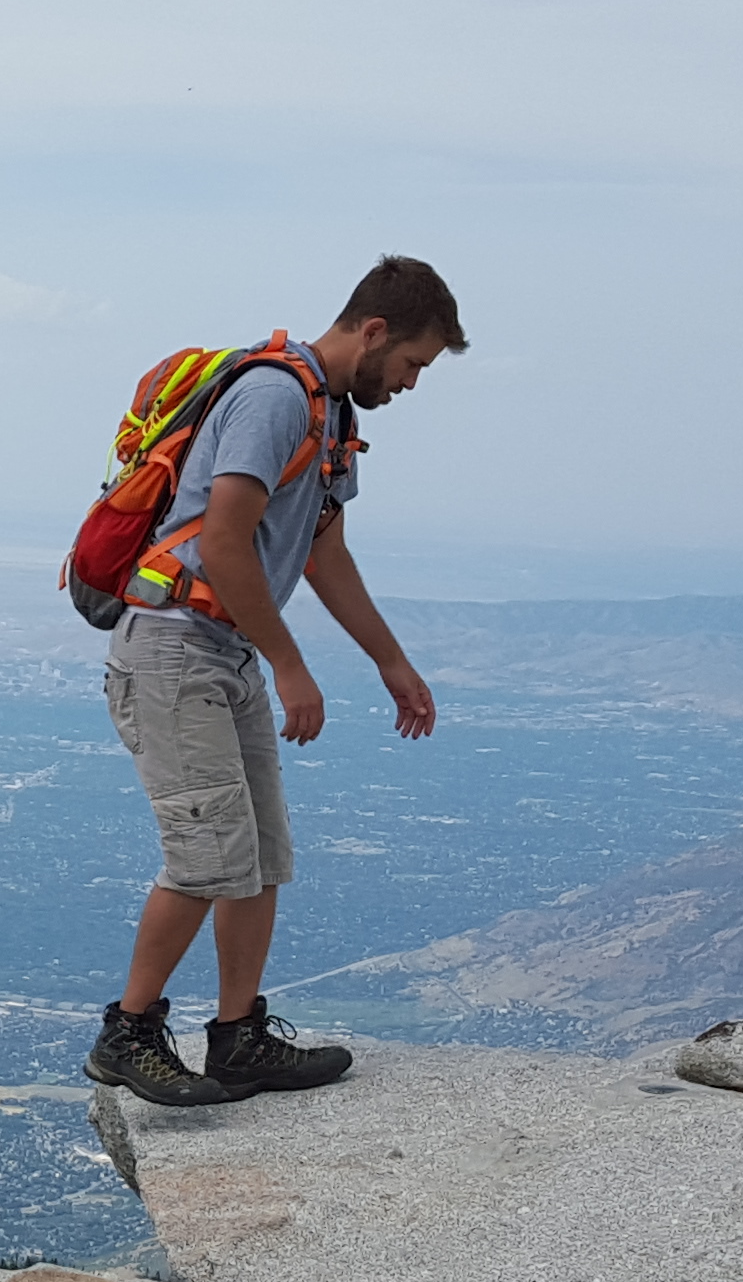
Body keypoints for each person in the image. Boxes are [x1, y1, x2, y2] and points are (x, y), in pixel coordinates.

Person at [84, 254, 463, 1107]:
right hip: (177, 647)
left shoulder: (328, 417)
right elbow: (222, 542)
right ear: (374, 332)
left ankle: (238, 1036)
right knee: (206, 854)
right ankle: (128, 1033)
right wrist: (294, 666)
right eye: (411, 364)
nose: (409, 384)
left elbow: (324, 551)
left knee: (257, 855)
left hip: (224, 650)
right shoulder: (274, 397)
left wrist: (389, 662)